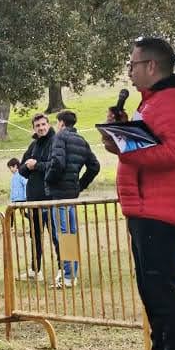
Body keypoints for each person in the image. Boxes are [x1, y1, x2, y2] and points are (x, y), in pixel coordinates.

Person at [101, 37, 175, 350]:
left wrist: (126, 147)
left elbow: (174, 153)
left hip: (162, 210)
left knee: (165, 292)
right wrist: (124, 133)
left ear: (152, 66)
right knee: (151, 293)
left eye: (133, 65)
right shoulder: (152, 103)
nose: (130, 72)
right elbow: (151, 143)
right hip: (143, 208)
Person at [43, 109, 100, 286]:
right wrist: (80, 185)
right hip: (72, 194)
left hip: (59, 193)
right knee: (71, 234)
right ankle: (71, 274)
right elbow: (94, 166)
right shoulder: (81, 140)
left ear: (60, 123)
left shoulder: (59, 137)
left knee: (63, 235)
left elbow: (58, 162)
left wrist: (49, 179)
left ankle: (67, 276)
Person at [18, 112, 58, 278]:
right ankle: (35, 270)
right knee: (35, 237)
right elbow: (21, 169)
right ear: (33, 128)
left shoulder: (56, 142)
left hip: (50, 198)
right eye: (37, 126)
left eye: (43, 124)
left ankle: (64, 270)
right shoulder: (33, 145)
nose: (41, 128)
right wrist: (29, 167)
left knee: (56, 236)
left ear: (48, 124)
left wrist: (37, 165)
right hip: (33, 199)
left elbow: (56, 166)